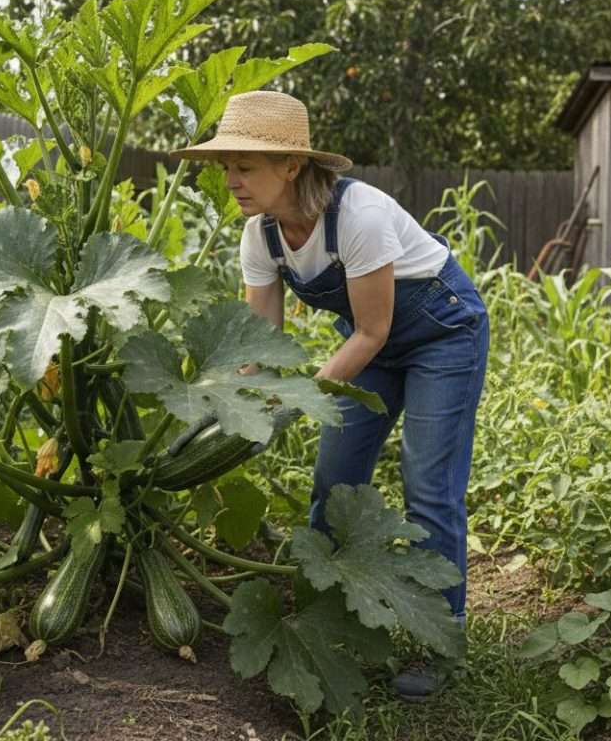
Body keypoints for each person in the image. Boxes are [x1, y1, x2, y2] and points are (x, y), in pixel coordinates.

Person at [171, 90, 489, 700]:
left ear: (291, 166)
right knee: (335, 479)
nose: (232, 181)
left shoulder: (360, 216)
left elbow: (373, 330)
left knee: (429, 484)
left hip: (442, 338)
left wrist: (296, 400)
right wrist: (222, 412)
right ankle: (326, 616)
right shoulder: (259, 236)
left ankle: (441, 638)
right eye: (226, 167)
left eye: (246, 167)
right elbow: (255, 350)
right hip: (371, 346)